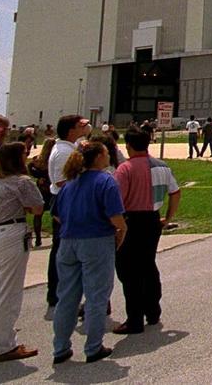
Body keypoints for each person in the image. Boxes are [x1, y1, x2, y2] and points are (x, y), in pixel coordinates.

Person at [51, 140, 126, 365]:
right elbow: (116, 217)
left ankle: (60, 348)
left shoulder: (70, 183)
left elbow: (56, 215)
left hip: (68, 241)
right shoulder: (105, 181)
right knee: (96, 296)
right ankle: (93, 347)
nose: (108, 156)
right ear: (98, 157)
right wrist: (122, 231)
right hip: (96, 241)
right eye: (105, 153)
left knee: (66, 297)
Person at [0, 142, 44, 362]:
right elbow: (38, 207)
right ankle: (5, 345)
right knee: (7, 291)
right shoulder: (21, 182)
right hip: (10, 232)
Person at [112, 125, 180, 334]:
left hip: (131, 221)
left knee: (128, 270)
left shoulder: (124, 169)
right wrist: (167, 218)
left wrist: (116, 227)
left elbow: (116, 201)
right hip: (153, 220)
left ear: (129, 145)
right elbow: (175, 193)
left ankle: (134, 318)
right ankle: (152, 310)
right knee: (148, 265)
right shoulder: (162, 166)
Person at [46, 114, 91, 313]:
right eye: (81, 125)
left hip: (68, 200)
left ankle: (61, 293)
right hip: (64, 202)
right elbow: (61, 182)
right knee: (62, 250)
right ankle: (57, 294)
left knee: (64, 249)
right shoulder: (63, 152)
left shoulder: (70, 147)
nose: (86, 127)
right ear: (71, 130)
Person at [28, 133, 54, 247]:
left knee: (38, 214)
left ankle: (38, 238)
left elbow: (30, 167)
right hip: (51, 188)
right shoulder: (53, 160)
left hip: (42, 188)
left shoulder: (38, 160)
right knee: (55, 213)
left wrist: (38, 177)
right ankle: (55, 236)